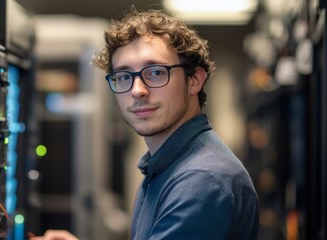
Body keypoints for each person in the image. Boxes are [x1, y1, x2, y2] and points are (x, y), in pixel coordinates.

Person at [33, 8, 259, 240]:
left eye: (156, 72)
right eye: (123, 77)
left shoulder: (201, 181)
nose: (137, 90)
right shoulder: (164, 166)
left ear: (194, 80)